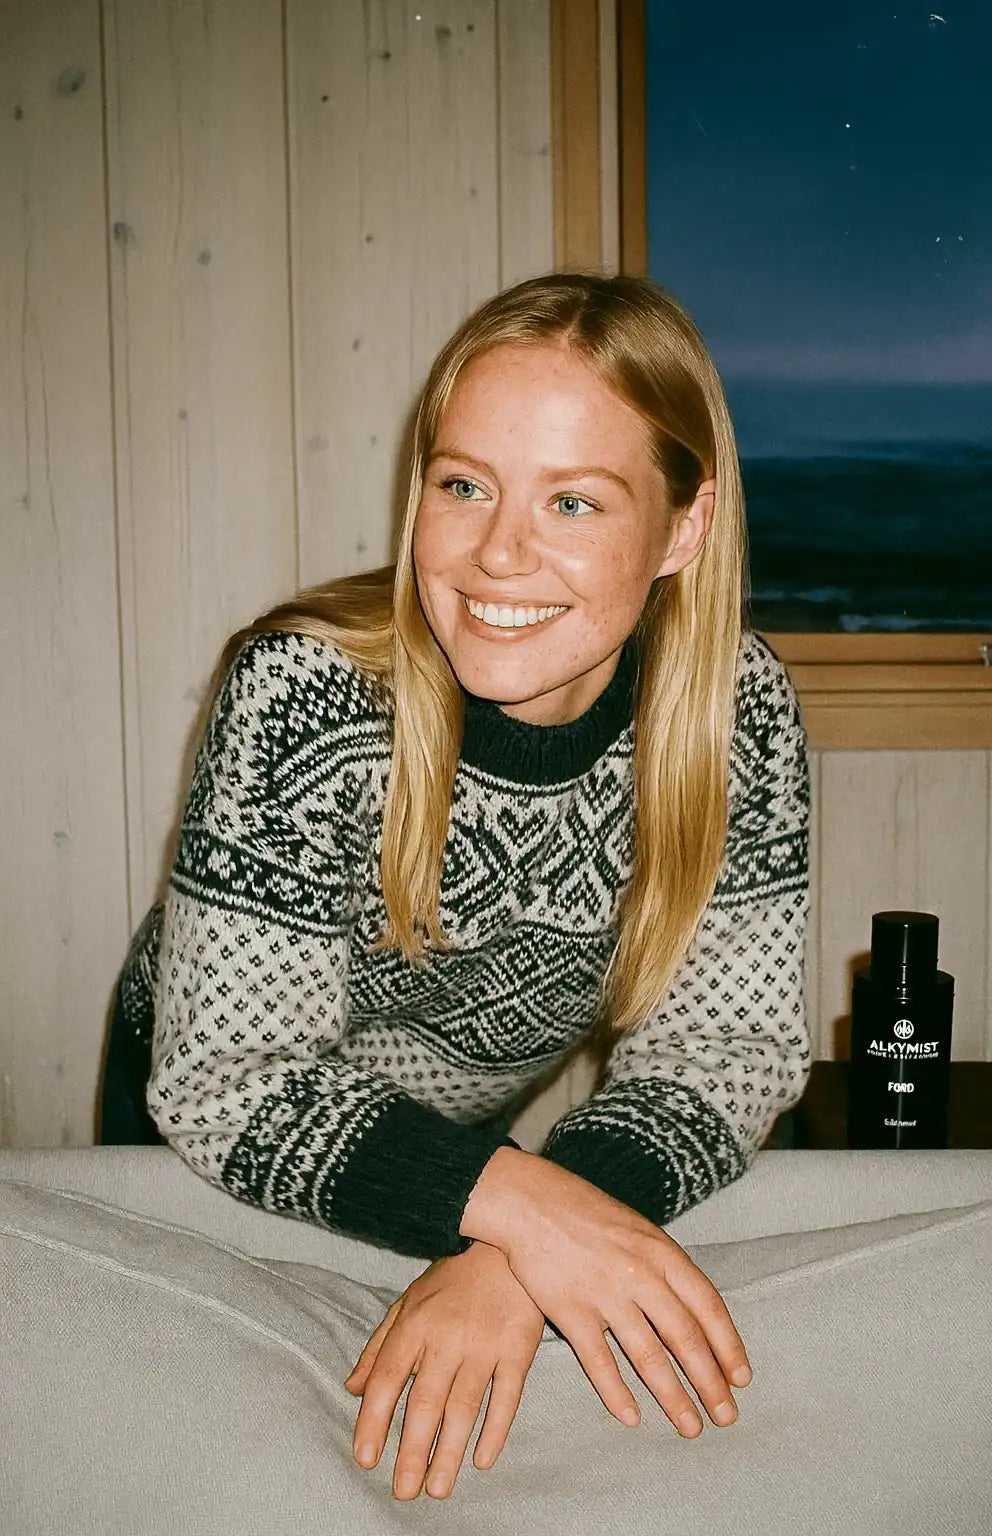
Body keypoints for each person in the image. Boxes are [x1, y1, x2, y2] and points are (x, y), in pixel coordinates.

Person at [108, 271, 810, 1502]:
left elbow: (729, 1048)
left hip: (468, 1162)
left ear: (681, 529)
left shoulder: (734, 715)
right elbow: (228, 1077)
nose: (497, 552)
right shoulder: (300, 693)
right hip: (203, 1131)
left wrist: (514, 1251)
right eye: (464, 485)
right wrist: (527, 1214)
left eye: (573, 501)